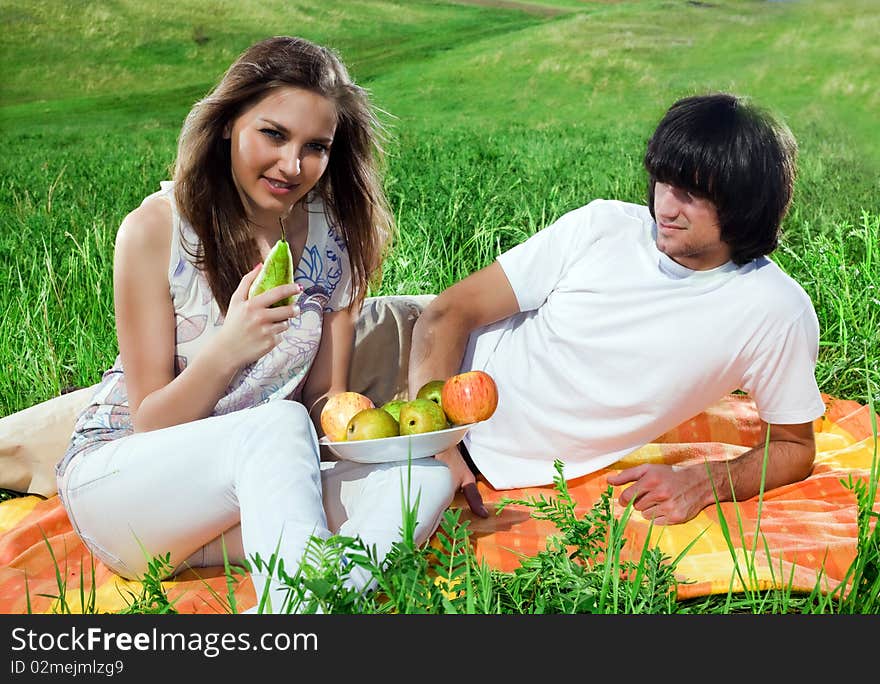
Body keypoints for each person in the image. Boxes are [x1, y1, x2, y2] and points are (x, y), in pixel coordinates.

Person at [56, 35, 454, 613]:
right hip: (124, 490)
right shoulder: (156, 230)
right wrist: (229, 349)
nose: (292, 165)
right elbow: (150, 424)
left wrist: (393, 435)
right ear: (226, 125)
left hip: (236, 502)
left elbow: (323, 403)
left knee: (426, 483)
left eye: (315, 146)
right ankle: (300, 617)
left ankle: (293, 597)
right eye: (273, 134)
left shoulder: (333, 241)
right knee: (277, 422)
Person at [409, 92, 824, 526]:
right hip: (424, 364)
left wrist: (705, 482)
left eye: (690, 195)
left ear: (744, 204)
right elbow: (446, 314)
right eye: (663, 182)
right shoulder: (603, 227)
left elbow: (794, 449)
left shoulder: (774, 311)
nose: (664, 207)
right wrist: (440, 448)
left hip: (464, 454)